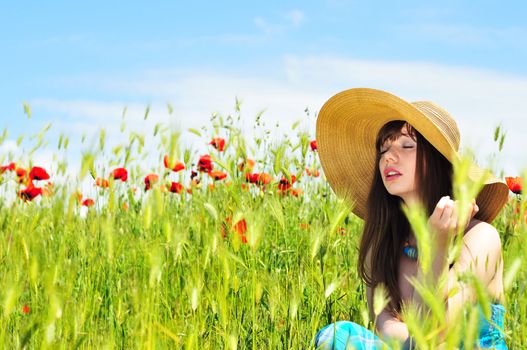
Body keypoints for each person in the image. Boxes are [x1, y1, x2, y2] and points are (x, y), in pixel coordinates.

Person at [313, 88, 509, 349]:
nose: (388, 157)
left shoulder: (481, 238)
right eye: (383, 149)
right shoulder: (381, 245)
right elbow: (394, 335)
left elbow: (435, 335)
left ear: (439, 161)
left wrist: (437, 244)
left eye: (407, 145)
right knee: (337, 336)